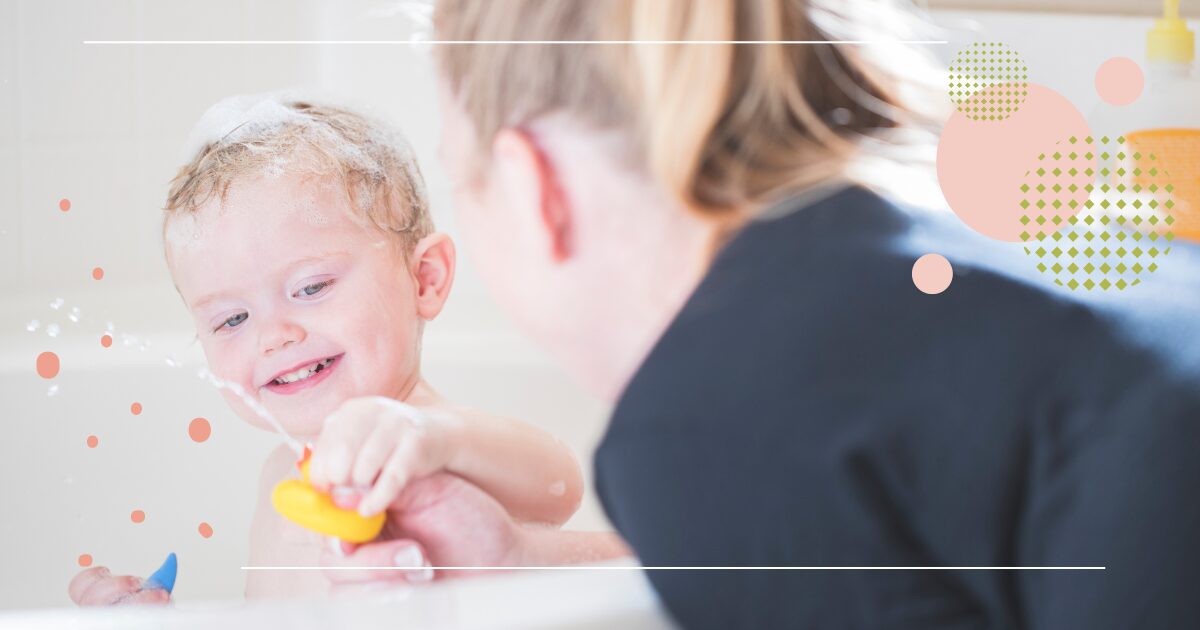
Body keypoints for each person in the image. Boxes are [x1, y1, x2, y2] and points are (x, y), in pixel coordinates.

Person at [324, 1, 1200, 628]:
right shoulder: (939, 272)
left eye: (459, 174)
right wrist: (519, 566)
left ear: (533, 187)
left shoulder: (704, 415)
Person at [67, 96, 586, 605]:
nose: (274, 335)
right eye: (231, 319)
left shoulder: (427, 441)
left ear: (424, 278)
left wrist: (437, 439)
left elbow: (560, 485)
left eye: (311, 287)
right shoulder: (279, 471)